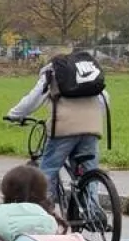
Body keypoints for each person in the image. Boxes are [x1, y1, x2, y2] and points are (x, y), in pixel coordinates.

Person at [6, 49, 110, 201]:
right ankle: (93, 212)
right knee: (89, 173)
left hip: (64, 129)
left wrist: (14, 115)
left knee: (48, 171)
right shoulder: (85, 72)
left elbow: (34, 98)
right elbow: (104, 97)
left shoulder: (52, 71)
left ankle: (45, 212)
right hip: (92, 128)